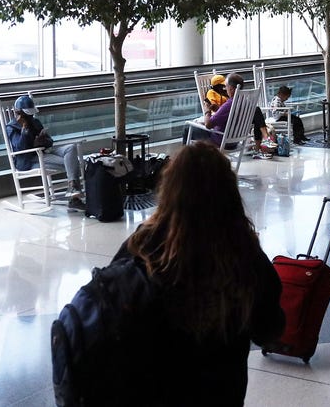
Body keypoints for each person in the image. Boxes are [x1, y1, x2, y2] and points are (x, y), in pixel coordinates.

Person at [113, 141, 284, 404]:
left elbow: (112, 301)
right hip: (219, 390)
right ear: (228, 192)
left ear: (169, 190)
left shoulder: (142, 245)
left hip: (152, 389)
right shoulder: (243, 253)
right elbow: (269, 330)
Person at [4, 94, 84, 204]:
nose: (31, 117)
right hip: (30, 159)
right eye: (28, 115)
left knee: (71, 148)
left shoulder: (35, 122)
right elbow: (20, 148)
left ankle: (73, 188)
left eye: (31, 114)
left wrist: (43, 140)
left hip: (45, 151)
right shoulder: (11, 128)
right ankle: (74, 192)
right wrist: (24, 129)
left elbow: (50, 141)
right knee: (73, 162)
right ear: (19, 113)